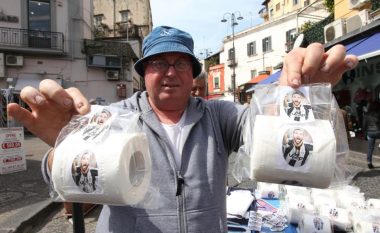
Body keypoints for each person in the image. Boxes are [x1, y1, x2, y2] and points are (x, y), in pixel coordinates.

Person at [7, 25, 358, 232]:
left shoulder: (219, 116)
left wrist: (302, 97)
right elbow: (70, 200)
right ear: (143, 74)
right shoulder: (112, 119)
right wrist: (64, 148)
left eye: (180, 63)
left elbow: (268, 135)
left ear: (193, 75)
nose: (170, 72)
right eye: (158, 63)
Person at [363, 100, 380, 169]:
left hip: (370, 132)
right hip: (379, 131)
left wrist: (364, 132)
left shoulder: (367, 114)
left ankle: (369, 162)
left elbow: (364, 125)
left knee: (370, 148)